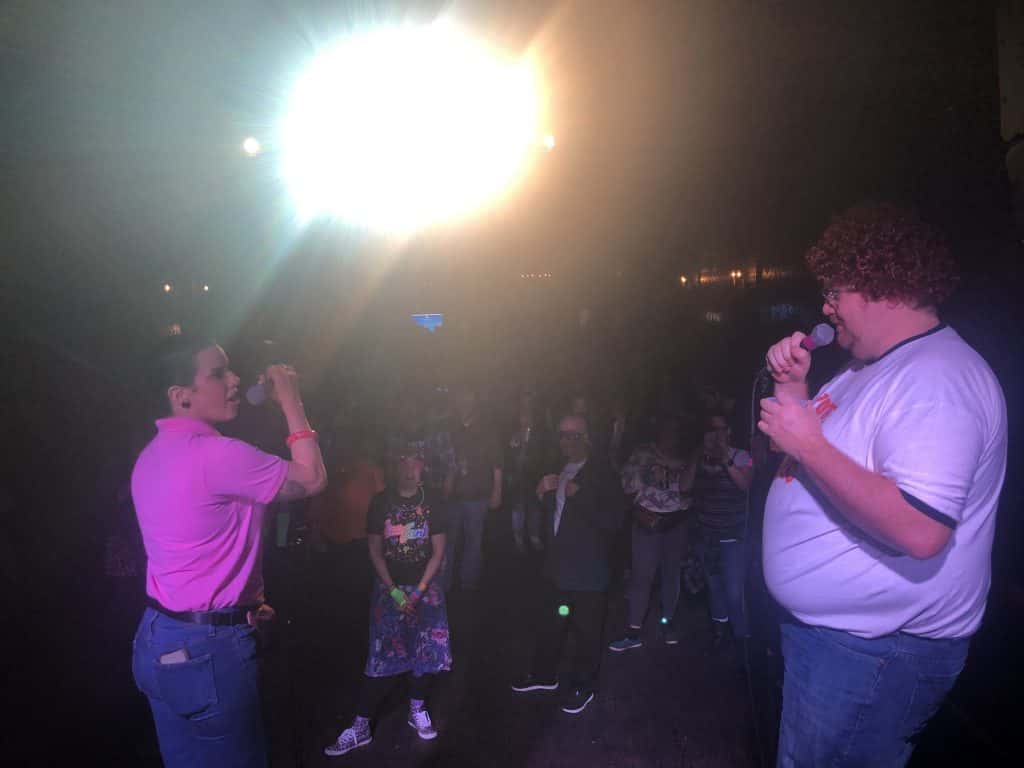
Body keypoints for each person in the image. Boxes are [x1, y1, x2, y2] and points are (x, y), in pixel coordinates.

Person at [759, 204, 1007, 767]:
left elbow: (920, 530)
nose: (825, 308)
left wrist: (811, 445)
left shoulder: (938, 379)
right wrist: (793, 388)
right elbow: (798, 457)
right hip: (845, 646)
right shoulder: (867, 368)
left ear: (882, 286)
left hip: (875, 655)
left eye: (834, 291)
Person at [130, 336, 327, 768]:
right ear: (181, 396)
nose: (234, 380)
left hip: (156, 637)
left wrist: (244, 604)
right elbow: (312, 477)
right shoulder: (217, 456)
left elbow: (196, 551)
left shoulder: (150, 455)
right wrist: (291, 401)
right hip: (207, 653)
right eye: (218, 374)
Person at [325, 440, 450, 756]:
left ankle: (416, 709)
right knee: (380, 657)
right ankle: (361, 726)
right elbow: (374, 550)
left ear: (423, 467)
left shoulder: (434, 500)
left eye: (415, 461)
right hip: (389, 587)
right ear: (395, 466)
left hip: (425, 588)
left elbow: (438, 551)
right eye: (403, 461)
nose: (409, 468)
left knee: (424, 652)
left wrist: (419, 591)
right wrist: (394, 590)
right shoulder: (381, 501)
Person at [510, 414, 624, 714]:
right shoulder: (558, 469)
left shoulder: (603, 473)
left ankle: (583, 685)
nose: (567, 441)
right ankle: (544, 675)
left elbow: (614, 520)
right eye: (562, 434)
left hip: (589, 571)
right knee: (551, 623)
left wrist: (582, 496)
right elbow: (556, 516)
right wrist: (540, 494)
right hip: (558, 567)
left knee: (587, 632)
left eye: (574, 435)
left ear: (587, 438)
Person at [609, 413, 695, 651]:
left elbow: (692, 490)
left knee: (671, 575)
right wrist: (647, 476)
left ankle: (668, 623)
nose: (670, 435)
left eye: (675, 431)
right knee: (642, 576)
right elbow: (625, 483)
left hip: (677, 522)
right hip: (647, 521)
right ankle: (633, 631)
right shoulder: (643, 453)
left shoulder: (687, 457)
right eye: (666, 429)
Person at [692, 412, 754, 648]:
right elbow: (685, 486)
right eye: (711, 429)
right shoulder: (701, 458)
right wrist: (697, 457)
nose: (716, 434)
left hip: (734, 535)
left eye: (720, 429)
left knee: (734, 591)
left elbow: (745, 485)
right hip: (707, 534)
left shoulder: (743, 456)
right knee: (714, 587)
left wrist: (725, 458)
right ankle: (720, 633)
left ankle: (741, 638)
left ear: (728, 431)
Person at [444, 386, 502, 590]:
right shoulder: (452, 427)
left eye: (468, 398)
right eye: (461, 398)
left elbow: (497, 462)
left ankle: (468, 585)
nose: (464, 403)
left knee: (473, 541)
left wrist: (497, 491)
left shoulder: (487, 429)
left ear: (475, 401)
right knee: (447, 541)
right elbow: (447, 458)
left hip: (478, 495)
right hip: (454, 494)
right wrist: (447, 481)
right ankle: (443, 584)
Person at [504, 389, 548, 553]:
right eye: (524, 400)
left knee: (534, 508)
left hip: (534, 475)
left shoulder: (540, 429)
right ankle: (518, 538)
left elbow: (543, 452)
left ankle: (534, 536)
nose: (526, 419)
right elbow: (507, 453)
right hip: (517, 476)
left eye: (530, 400)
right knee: (518, 508)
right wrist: (513, 448)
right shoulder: (512, 428)